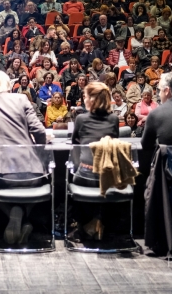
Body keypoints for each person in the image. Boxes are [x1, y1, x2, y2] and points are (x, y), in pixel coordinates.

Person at [0, 70, 46, 244]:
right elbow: (39, 131)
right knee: (38, 186)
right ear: (7, 84)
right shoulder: (21, 99)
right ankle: (23, 215)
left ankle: (13, 213)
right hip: (32, 172)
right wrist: (38, 149)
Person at [70, 82, 119, 239]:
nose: (84, 99)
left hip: (86, 174)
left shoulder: (81, 119)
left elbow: (75, 144)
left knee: (73, 177)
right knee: (102, 179)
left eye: (85, 96)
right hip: (109, 175)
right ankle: (97, 220)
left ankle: (84, 224)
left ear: (92, 99)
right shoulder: (114, 119)